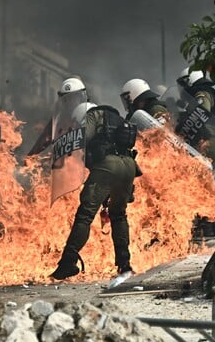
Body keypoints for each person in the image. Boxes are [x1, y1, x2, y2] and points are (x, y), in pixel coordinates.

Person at [51, 78, 139, 281]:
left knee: (85, 215)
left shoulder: (91, 116)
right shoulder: (114, 118)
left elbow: (83, 139)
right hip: (128, 166)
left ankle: (67, 263)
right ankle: (124, 265)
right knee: (119, 216)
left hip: (108, 166)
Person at [176, 67, 215, 167]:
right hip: (212, 141)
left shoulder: (202, 94)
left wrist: (180, 125)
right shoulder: (209, 94)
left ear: (189, 81)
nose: (182, 89)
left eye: (183, 85)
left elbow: (201, 114)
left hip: (205, 142)